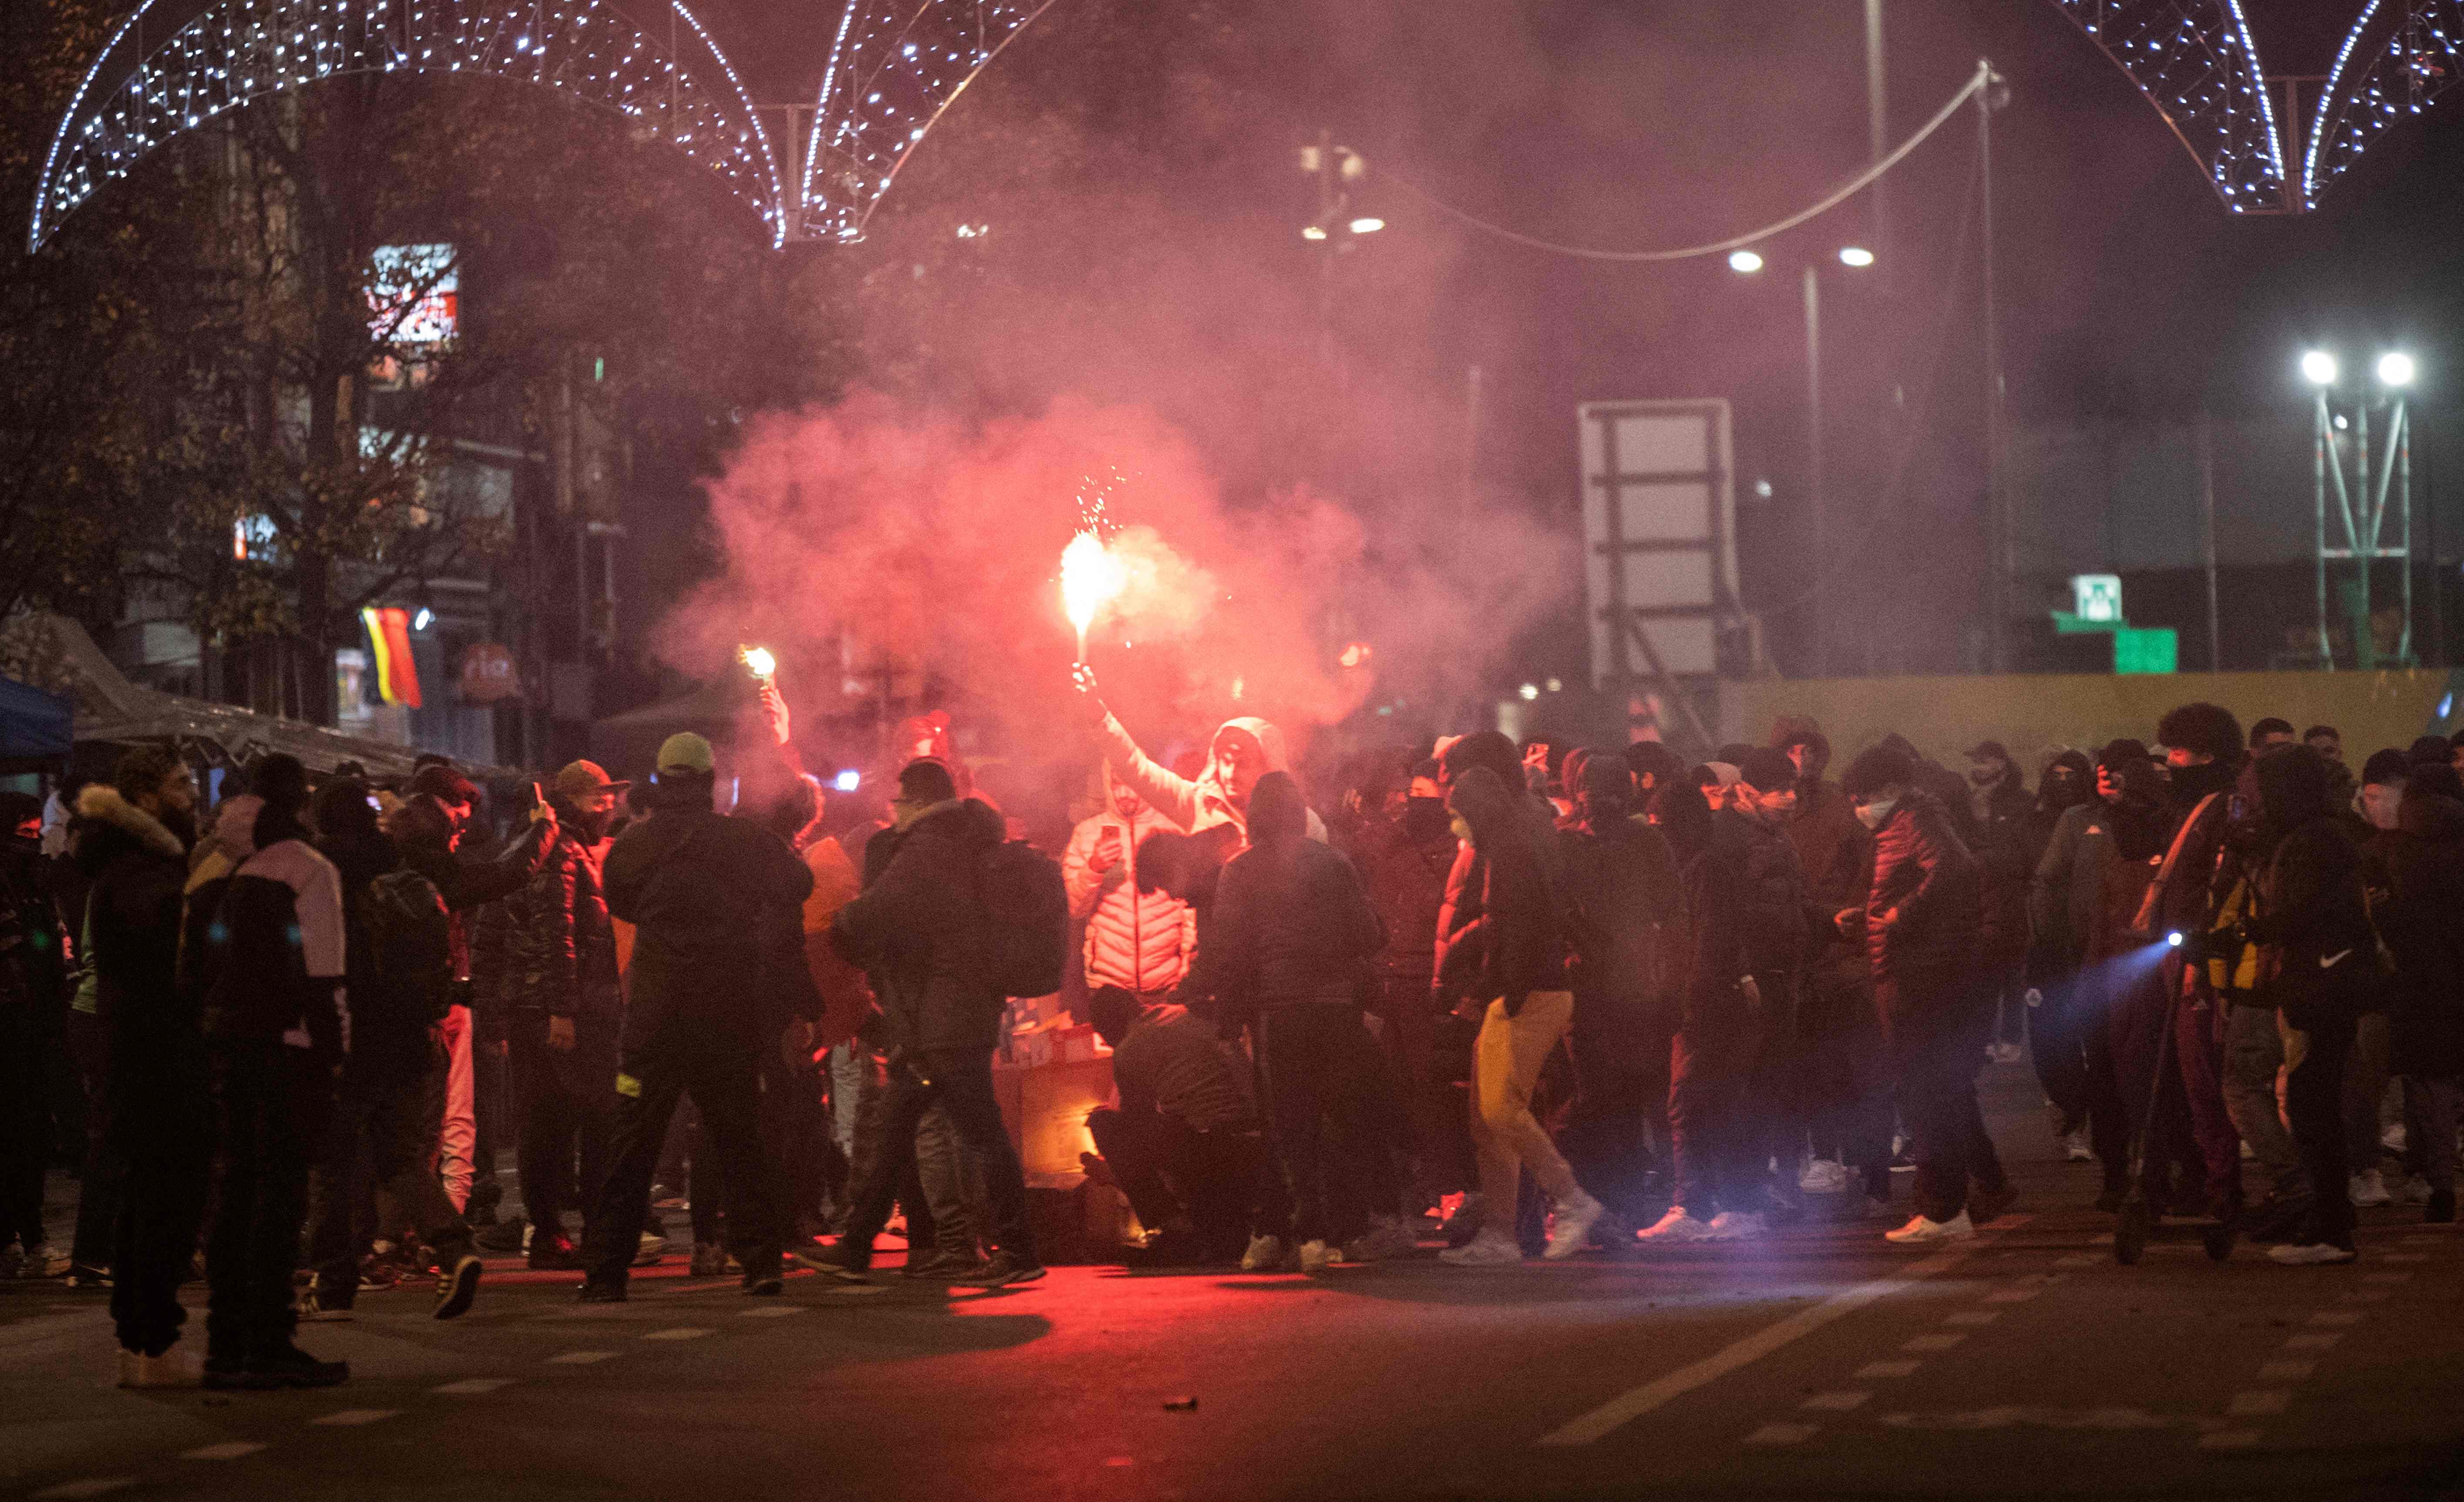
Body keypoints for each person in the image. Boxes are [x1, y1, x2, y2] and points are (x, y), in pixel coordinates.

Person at [581, 734, 816, 1300]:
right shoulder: (744, 840)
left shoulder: (633, 844)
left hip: (656, 1015)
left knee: (633, 1141)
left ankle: (607, 1273)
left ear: (660, 782)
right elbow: (798, 884)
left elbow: (621, 903)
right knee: (740, 1139)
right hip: (725, 1013)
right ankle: (762, 1263)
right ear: (712, 782)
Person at [804, 758, 1043, 1287]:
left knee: (977, 1134)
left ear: (913, 803)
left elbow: (879, 910)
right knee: (897, 1130)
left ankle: (1018, 1250)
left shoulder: (929, 847)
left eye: (899, 803)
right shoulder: (966, 841)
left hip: (945, 1017)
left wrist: (839, 929)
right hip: (949, 1012)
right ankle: (857, 1245)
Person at [185, 755, 354, 1388]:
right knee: (281, 1196)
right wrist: (332, 1052)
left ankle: (228, 1344)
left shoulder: (217, 868)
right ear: (299, 802)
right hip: (291, 1045)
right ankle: (273, 1339)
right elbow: (324, 970)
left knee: (234, 1193)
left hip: (229, 1043)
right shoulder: (308, 869)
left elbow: (192, 965)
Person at [1196, 771, 1394, 1273]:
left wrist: (1227, 1019)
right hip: (1335, 1008)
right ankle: (1330, 1231)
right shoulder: (1334, 864)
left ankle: (1299, 1233)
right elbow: (1367, 936)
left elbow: (1228, 953)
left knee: (1287, 1124)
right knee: (1332, 1119)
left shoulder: (1239, 871)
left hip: (1277, 1010)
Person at [303, 789, 474, 1318]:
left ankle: (332, 1286)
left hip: (351, 1042)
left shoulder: (322, 877)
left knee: (334, 1163)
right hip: (408, 1038)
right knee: (400, 1158)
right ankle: (455, 1247)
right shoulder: (401, 876)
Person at [68, 750, 205, 1386]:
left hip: (141, 1044)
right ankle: (154, 1341)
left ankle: (141, 1340)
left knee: (148, 1194)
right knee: (164, 1195)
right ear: (148, 798)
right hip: (155, 1048)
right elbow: (163, 960)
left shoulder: (132, 863)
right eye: (182, 784)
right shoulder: (145, 870)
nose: (194, 792)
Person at [1838, 743, 2011, 1245]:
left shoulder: (1914, 820)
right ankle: (1954, 1201)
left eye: (1865, 796)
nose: (1859, 807)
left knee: (1924, 1092)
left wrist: (1900, 915)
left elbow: (1953, 869)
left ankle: (1941, 1210)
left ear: (1891, 789)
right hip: (1914, 972)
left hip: (1918, 977)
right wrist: (1870, 918)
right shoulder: (1901, 824)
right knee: (1937, 1091)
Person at [1643, 748, 1812, 1244]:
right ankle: (1714, 1203)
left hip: (1731, 994)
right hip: (1733, 990)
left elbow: (1718, 932)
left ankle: (1722, 1205)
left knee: (1718, 1100)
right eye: (1778, 786)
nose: (1788, 797)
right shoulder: (1717, 851)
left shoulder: (1719, 858)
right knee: (1713, 1101)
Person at [475, 761, 627, 1271]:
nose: (611, 806)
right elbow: (556, 931)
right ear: (582, 799)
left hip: (534, 1007)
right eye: (603, 797)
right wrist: (564, 1010)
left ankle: (553, 1232)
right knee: (587, 1120)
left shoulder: (533, 842)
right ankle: (576, 1232)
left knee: (548, 1122)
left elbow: (491, 936)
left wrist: (495, 1016)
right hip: (561, 1010)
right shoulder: (558, 846)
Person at [2237, 746, 2379, 1265]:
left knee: (2311, 1106)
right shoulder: (2323, 835)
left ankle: (2330, 1229)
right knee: (2312, 1102)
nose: (2249, 804)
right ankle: (2329, 1219)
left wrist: (2249, 932)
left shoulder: (2308, 844)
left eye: (2256, 794)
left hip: (2320, 986)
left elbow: (2298, 915)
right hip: (2324, 984)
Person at [2033, 742, 2171, 1211]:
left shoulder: (2162, 825)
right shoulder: (2077, 822)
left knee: (2149, 1074)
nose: (2109, 779)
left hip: (2150, 967)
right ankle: (2116, 1172)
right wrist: (2053, 944)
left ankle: (2156, 1170)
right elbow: (2050, 883)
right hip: (2094, 962)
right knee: (2105, 1072)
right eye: (2104, 769)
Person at [1555, 755, 1683, 1238]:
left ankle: (1613, 1208)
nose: (1597, 801)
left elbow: (1672, 917)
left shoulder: (1642, 843)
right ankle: (1604, 1206)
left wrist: (1668, 982)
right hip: (1593, 990)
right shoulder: (1568, 844)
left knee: (1616, 1099)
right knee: (1600, 1099)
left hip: (1626, 991)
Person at [1084, 988, 1276, 1266]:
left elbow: (1138, 1121)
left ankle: (1173, 1226)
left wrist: (1113, 1173)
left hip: (1208, 1149)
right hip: (1255, 1140)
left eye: (1101, 1030)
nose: (1103, 1039)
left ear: (1113, 1022)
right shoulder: (1186, 1014)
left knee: (1104, 1123)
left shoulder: (1128, 1050)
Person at [2151, 701, 2250, 1225]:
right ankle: (2211, 1179)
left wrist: (2197, 956)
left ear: (2207, 754)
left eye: (2179, 752)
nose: (2170, 761)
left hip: (2204, 963)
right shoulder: (2190, 807)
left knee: (2207, 1077)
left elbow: (2217, 888)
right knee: (2190, 1079)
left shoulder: (2223, 809)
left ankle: (2222, 1185)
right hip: (2182, 956)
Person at [1075, 665, 1326, 844]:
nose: (1230, 773)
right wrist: (1098, 715)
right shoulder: (1197, 805)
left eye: (1242, 763)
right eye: (1224, 761)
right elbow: (1136, 768)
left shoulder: (1302, 823)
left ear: (1268, 766)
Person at [2380, 761, 2464, 1223]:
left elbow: (2393, 923)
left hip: (2419, 984)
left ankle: (2438, 1183)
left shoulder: (2399, 852)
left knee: (2427, 1086)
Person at [1064, 764, 1197, 1019]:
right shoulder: (1087, 833)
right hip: (1108, 988)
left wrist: (1186, 969)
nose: (1125, 793)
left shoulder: (1173, 829)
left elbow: (1190, 906)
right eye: (1116, 784)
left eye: (1132, 784)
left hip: (1167, 984)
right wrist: (1094, 868)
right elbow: (1074, 907)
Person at [0, 791, 68, 1278]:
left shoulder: (34, 883)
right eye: (28, 832)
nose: (37, 841)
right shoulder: (26, 882)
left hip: (31, 1025)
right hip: (21, 1026)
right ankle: (24, 1237)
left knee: (23, 1132)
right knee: (22, 1132)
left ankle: (20, 1238)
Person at [2020, 750, 2096, 1160]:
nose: (2064, 782)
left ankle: (2083, 1117)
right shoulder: (2030, 825)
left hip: (2089, 943)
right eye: (2057, 775)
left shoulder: (2097, 824)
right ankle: (2068, 1117)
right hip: (2044, 946)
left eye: (2073, 775)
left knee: (2090, 1035)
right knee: (2051, 1035)